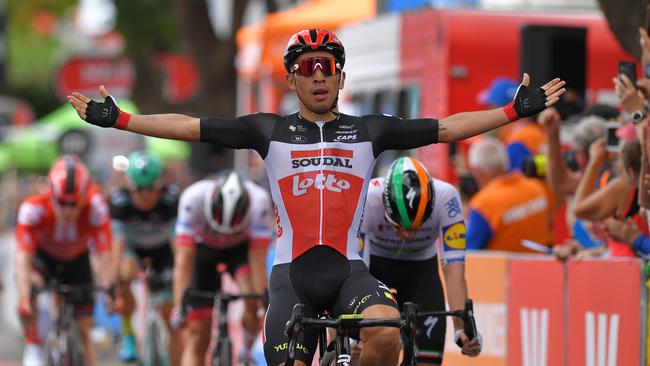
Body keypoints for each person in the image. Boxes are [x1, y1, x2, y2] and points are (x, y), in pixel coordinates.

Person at [67, 28, 565, 366]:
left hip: (351, 270)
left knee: (389, 330)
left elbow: (447, 127)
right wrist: (124, 119)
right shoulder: (267, 130)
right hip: (292, 276)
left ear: (342, 77)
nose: (320, 75)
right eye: (308, 68)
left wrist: (510, 111)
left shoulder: (371, 130)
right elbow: (189, 126)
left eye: (329, 66)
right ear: (292, 79)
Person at [359, 156, 479, 365]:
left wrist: (462, 328)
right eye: (399, 226)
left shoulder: (447, 197)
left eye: (417, 226)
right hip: (375, 266)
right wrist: (353, 332)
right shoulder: (367, 198)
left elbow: (454, 271)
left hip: (421, 268)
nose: (407, 235)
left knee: (428, 357)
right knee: (367, 347)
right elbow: (357, 269)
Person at [15, 155, 113, 366]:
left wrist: (109, 289)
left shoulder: (96, 207)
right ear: (50, 193)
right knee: (29, 290)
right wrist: (25, 296)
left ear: (85, 196)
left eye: (74, 204)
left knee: (84, 330)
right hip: (44, 259)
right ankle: (32, 344)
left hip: (77, 260)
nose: (67, 211)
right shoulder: (33, 208)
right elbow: (23, 257)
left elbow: (104, 254)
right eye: (61, 203)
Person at [171, 171, 272, 366]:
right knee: (198, 335)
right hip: (204, 252)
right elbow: (183, 262)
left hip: (239, 252)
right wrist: (180, 307)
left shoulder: (259, 202)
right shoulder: (192, 198)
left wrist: (262, 304)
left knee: (252, 297)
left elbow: (258, 263)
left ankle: (245, 351)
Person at [108, 150, 182, 364]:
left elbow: (179, 250)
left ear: (160, 185)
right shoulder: (119, 202)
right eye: (139, 189)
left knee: (172, 321)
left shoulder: (171, 200)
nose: (146, 195)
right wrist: (113, 288)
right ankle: (128, 332)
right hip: (134, 250)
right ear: (129, 187)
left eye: (151, 188)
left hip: (163, 252)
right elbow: (117, 250)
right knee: (124, 269)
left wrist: (180, 286)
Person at [466, 137, 551, 252]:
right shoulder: (535, 186)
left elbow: (469, 252)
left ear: (477, 171)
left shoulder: (482, 204)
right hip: (541, 263)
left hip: (501, 269)